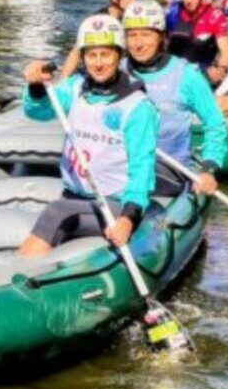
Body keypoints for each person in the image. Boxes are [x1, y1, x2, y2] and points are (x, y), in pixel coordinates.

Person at [18, 14, 157, 257]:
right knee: (60, 211)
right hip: (74, 196)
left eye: (106, 54)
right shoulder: (74, 87)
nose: (99, 63)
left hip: (115, 203)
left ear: (119, 55)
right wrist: (36, 87)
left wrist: (127, 218)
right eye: (92, 55)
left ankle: (15, 274)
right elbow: (37, 112)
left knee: (55, 213)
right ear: (82, 58)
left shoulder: (137, 106)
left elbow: (142, 168)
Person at [122, 0, 227, 197]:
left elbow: (215, 125)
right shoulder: (116, 71)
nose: (138, 43)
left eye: (146, 34)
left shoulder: (187, 75)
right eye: (132, 35)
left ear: (162, 37)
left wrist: (209, 168)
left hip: (169, 176)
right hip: (121, 174)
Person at [60, 0, 138, 78]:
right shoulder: (97, 21)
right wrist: (62, 80)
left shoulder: (135, 17)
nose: (134, 0)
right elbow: (76, 52)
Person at [164, 0, 228, 86]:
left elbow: (226, 51)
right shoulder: (171, 13)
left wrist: (222, 69)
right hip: (173, 73)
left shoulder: (215, 16)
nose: (188, 1)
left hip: (203, 71)